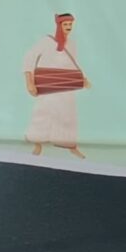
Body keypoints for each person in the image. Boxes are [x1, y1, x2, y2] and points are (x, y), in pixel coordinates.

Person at [23, 12, 88, 158]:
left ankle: (69, 146)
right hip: (47, 83)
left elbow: (72, 64)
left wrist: (81, 79)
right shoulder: (46, 41)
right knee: (42, 112)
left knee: (68, 115)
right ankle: (37, 143)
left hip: (66, 84)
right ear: (59, 26)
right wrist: (29, 82)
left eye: (70, 24)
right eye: (66, 24)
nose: (68, 27)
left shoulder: (72, 43)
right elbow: (29, 57)